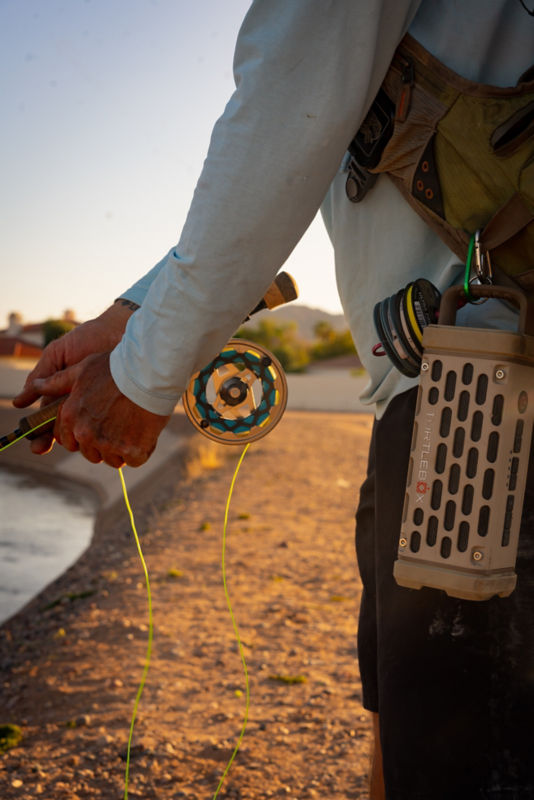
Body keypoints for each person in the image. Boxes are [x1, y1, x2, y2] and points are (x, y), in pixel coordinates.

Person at [13, 1, 534, 797]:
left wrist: (145, 375)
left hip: (479, 417)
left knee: (459, 751)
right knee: (404, 715)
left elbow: (287, 122)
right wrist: (127, 322)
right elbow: (310, 155)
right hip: (431, 410)